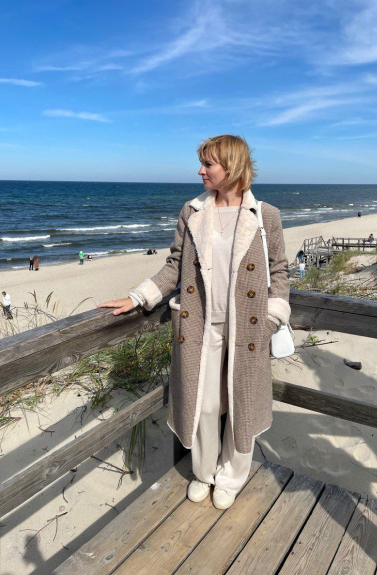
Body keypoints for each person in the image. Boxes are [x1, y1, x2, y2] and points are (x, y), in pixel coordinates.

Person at [98, 134, 290, 511]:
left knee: (241, 405)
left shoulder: (265, 215)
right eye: (201, 163)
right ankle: (204, 472)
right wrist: (138, 296)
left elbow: (280, 271)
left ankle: (231, 477)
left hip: (248, 328)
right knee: (203, 405)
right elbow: (175, 265)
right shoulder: (192, 211)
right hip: (201, 327)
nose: (200, 171)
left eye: (208, 164)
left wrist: (271, 316)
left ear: (231, 167)